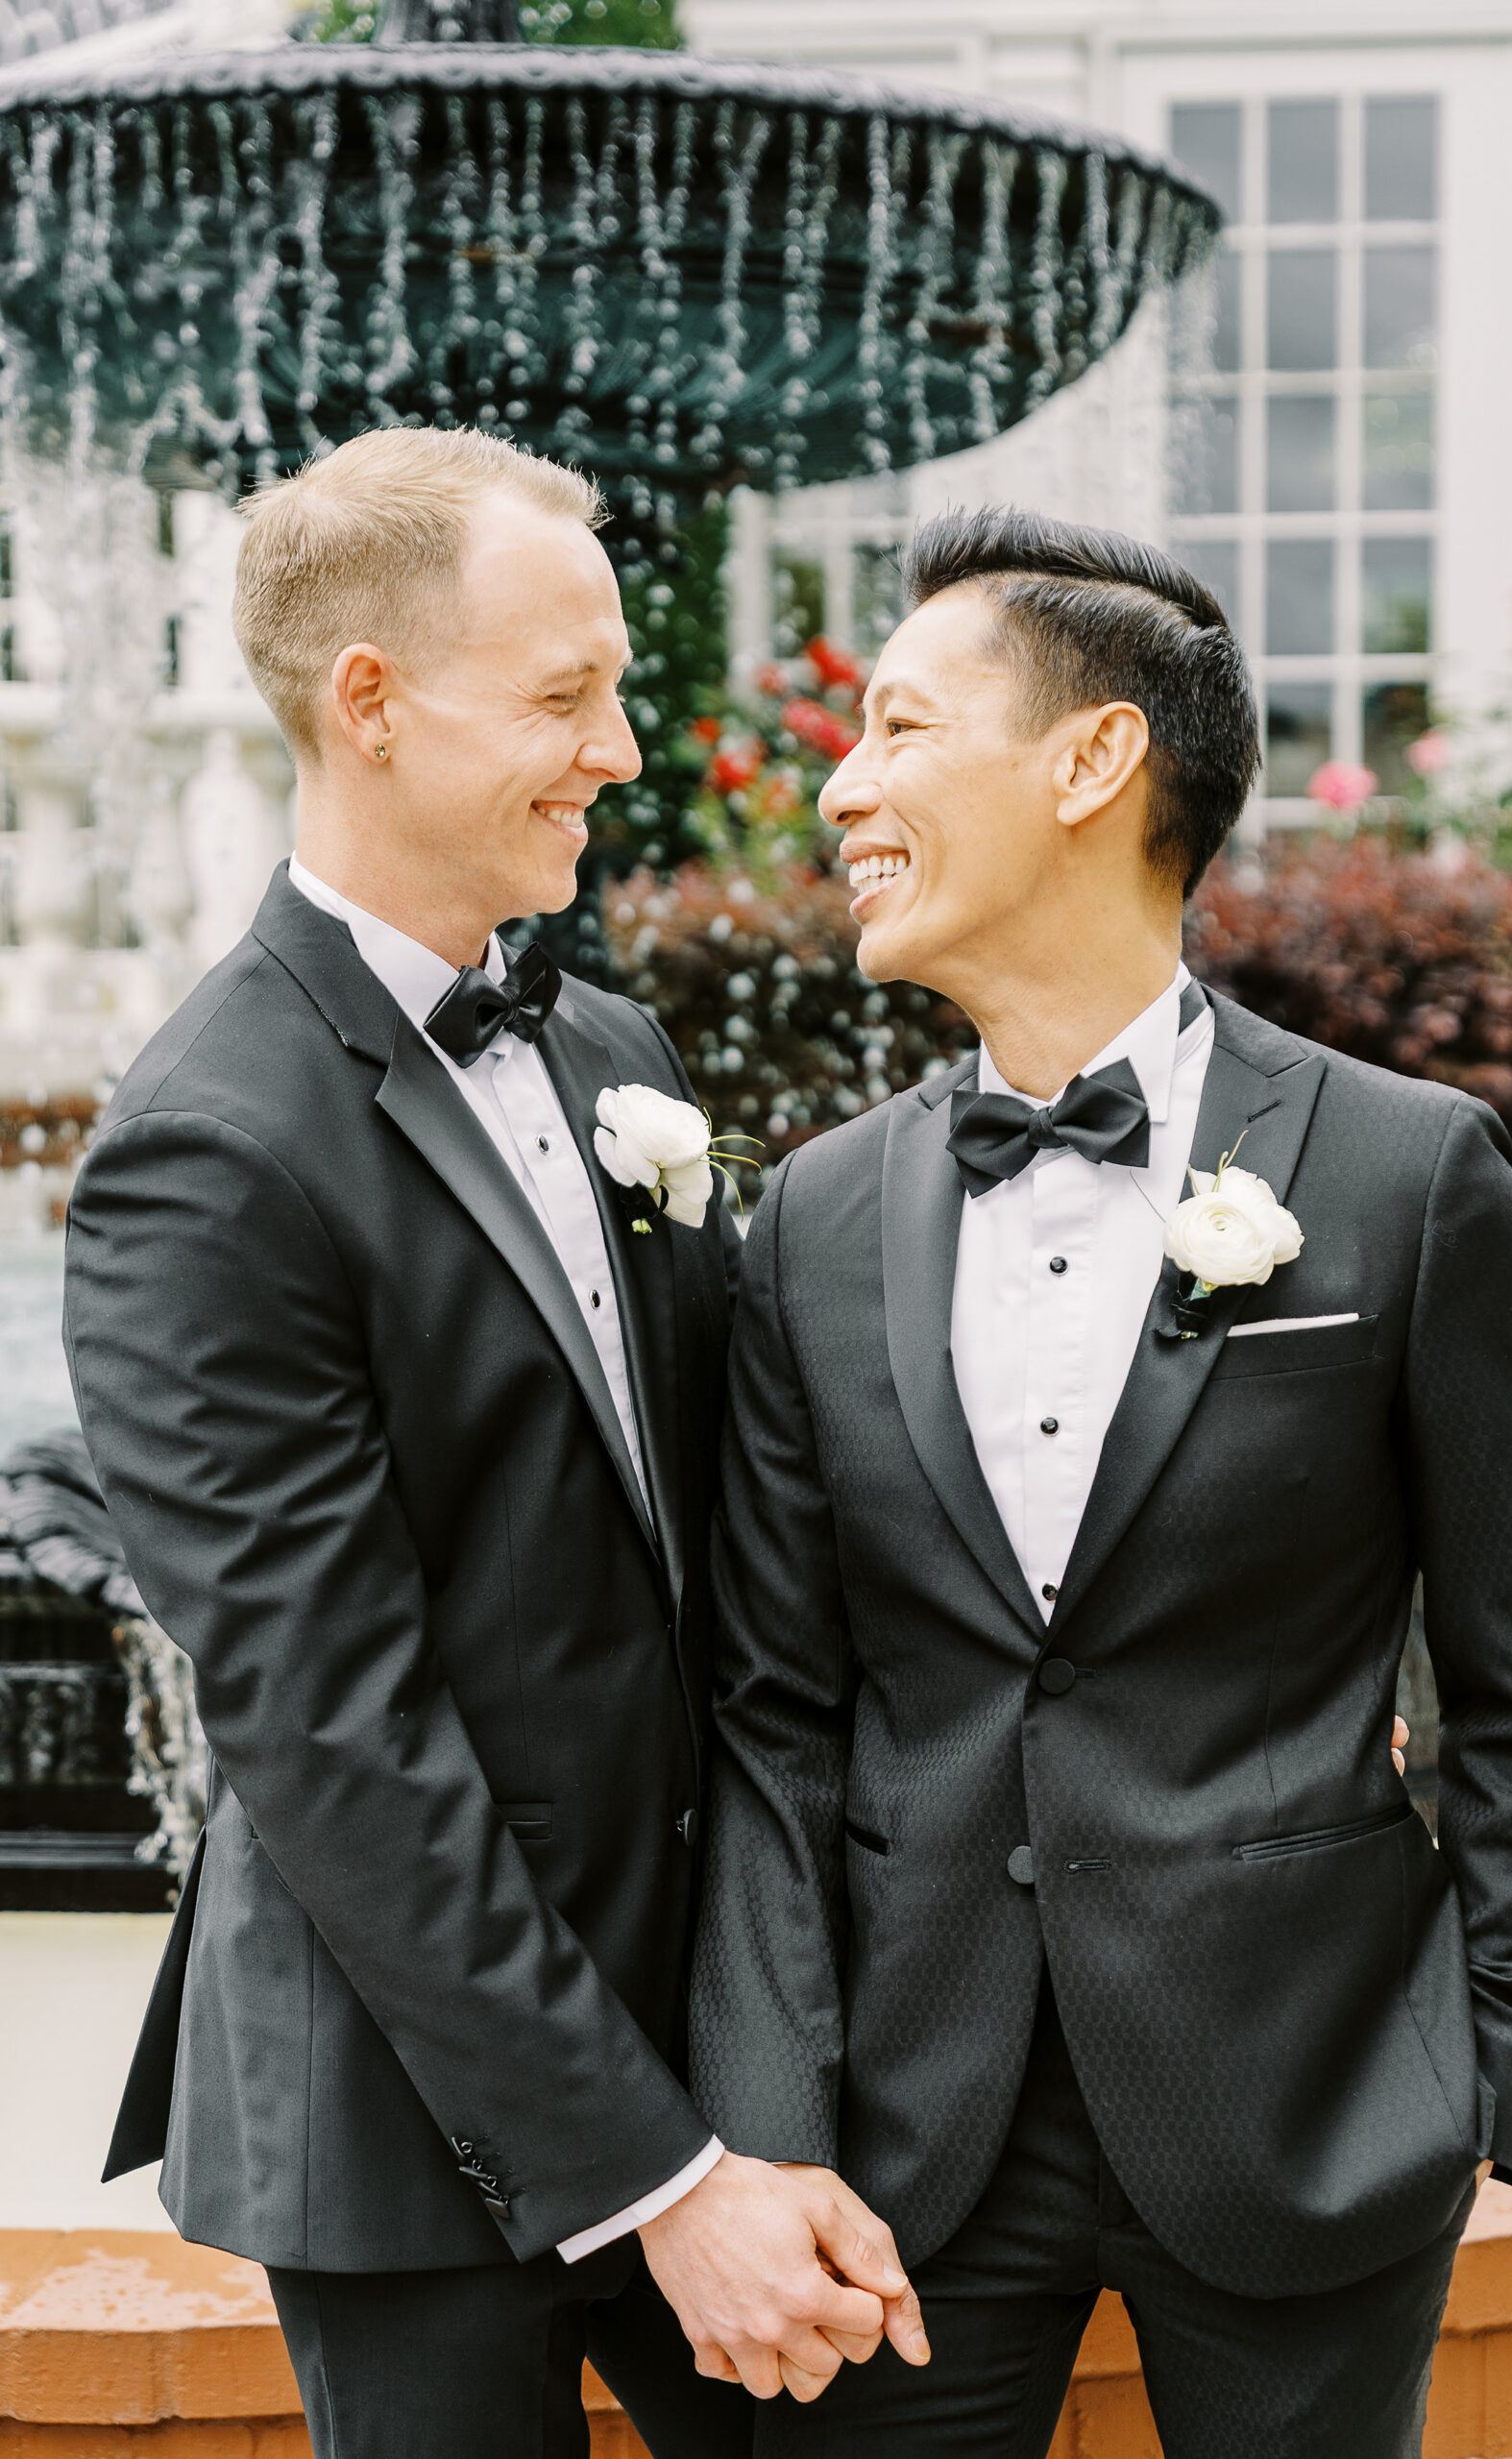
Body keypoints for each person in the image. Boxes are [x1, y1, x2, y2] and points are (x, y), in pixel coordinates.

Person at [688, 506, 1512, 2455]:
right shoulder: (813, 1215)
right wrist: (765, 2134)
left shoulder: (1409, 1175)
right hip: (902, 2149)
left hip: (1308, 2110)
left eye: (903, 727)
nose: (841, 786)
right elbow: (771, 1721)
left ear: (1092, 761)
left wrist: (1488, 2050)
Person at [63, 426, 921, 2459]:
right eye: (563, 694)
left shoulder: (610, 1045)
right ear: (368, 701)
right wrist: (664, 2177)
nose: (618, 746)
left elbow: (744, 1507)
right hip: (405, 2106)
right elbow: (334, 1732)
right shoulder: (208, 1145)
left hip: (709, 2040)